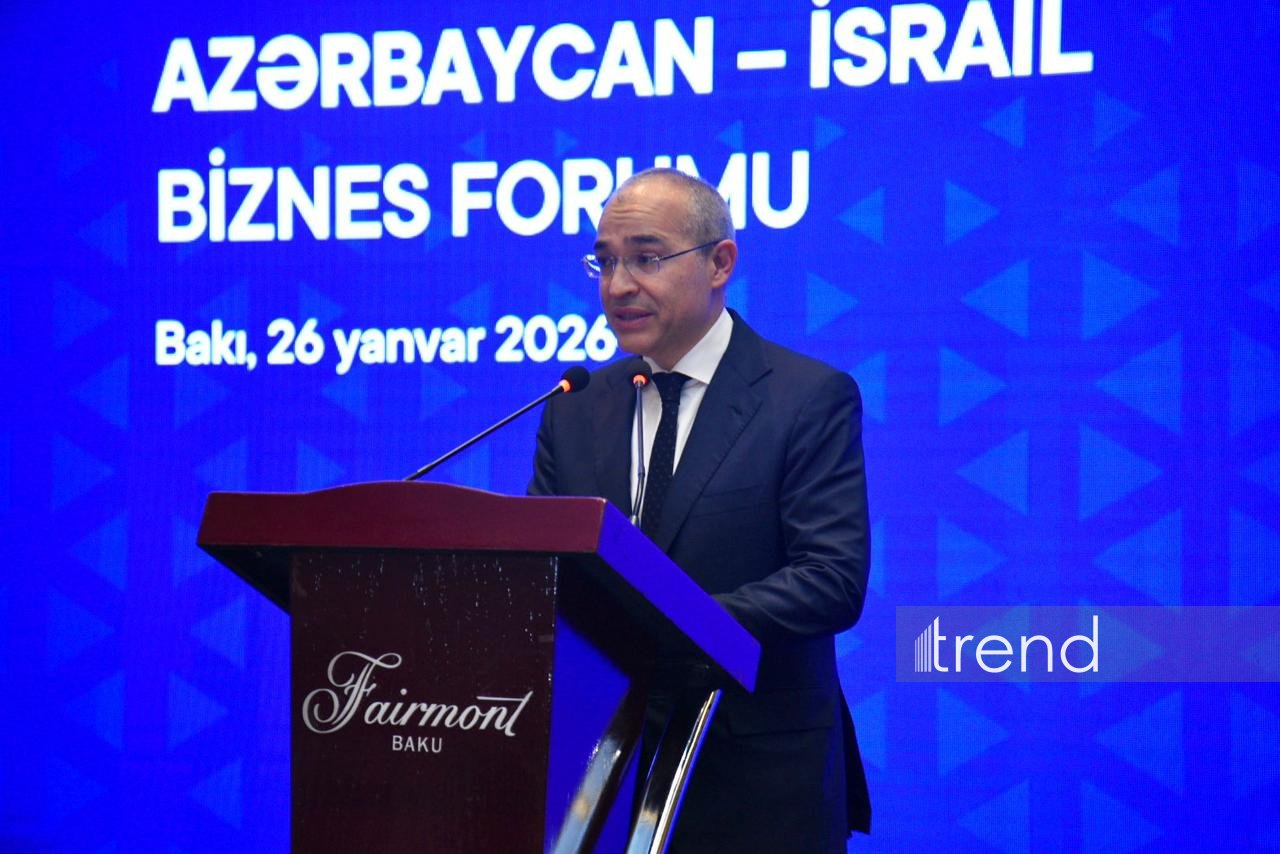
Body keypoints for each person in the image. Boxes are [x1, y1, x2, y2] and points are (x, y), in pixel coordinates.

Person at [529, 168, 871, 851]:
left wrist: (677, 624)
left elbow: (831, 579)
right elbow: (545, 577)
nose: (618, 285)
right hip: (599, 776)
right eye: (606, 262)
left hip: (758, 779)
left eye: (647, 258)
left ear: (720, 263)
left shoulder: (806, 398)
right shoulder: (575, 408)